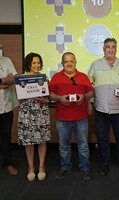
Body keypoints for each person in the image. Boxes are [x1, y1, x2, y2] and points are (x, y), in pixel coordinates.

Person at [87, 38, 119, 176]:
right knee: (102, 137)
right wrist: (88, 102)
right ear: (103, 49)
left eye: (113, 46)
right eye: (108, 46)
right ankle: (104, 164)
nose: (110, 49)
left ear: (116, 49)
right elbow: (88, 85)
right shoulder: (95, 65)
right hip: (101, 109)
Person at [49, 52, 94, 181]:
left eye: (71, 61)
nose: (69, 64)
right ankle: (65, 167)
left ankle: (85, 169)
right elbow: (50, 94)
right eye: (66, 61)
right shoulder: (56, 77)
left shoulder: (83, 77)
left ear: (75, 62)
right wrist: (59, 98)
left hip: (81, 117)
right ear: (62, 63)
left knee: (83, 145)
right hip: (62, 118)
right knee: (64, 146)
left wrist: (84, 97)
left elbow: (91, 92)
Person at [18, 52, 51, 181]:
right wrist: (23, 96)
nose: (37, 65)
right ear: (28, 64)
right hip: (27, 114)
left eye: (38, 63)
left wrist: (45, 101)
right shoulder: (21, 79)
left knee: (42, 140)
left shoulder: (44, 79)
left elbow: (48, 99)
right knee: (29, 141)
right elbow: (19, 100)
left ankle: (41, 166)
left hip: (42, 113)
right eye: (34, 63)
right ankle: (31, 167)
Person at [0, 56, 19, 175]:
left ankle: (8, 163)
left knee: (6, 136)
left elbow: (14, 79)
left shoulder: (6, 60)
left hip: (6, 106)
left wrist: (2, 81)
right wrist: (5, 81)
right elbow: (8, 80)